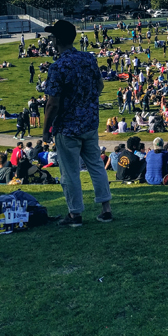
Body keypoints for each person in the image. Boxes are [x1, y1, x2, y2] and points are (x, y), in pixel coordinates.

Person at [43, 20, 113, 226]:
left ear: (57, 40)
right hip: (90, 123)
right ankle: (106, 209)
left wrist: (46, 130)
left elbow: (52, 104)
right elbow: (99, 85)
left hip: (67, 127)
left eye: (53, 37)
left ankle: (75, 214)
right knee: (96, 166)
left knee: (70, 172)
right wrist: (87, 102)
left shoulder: (58, 67)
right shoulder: (88, 59)